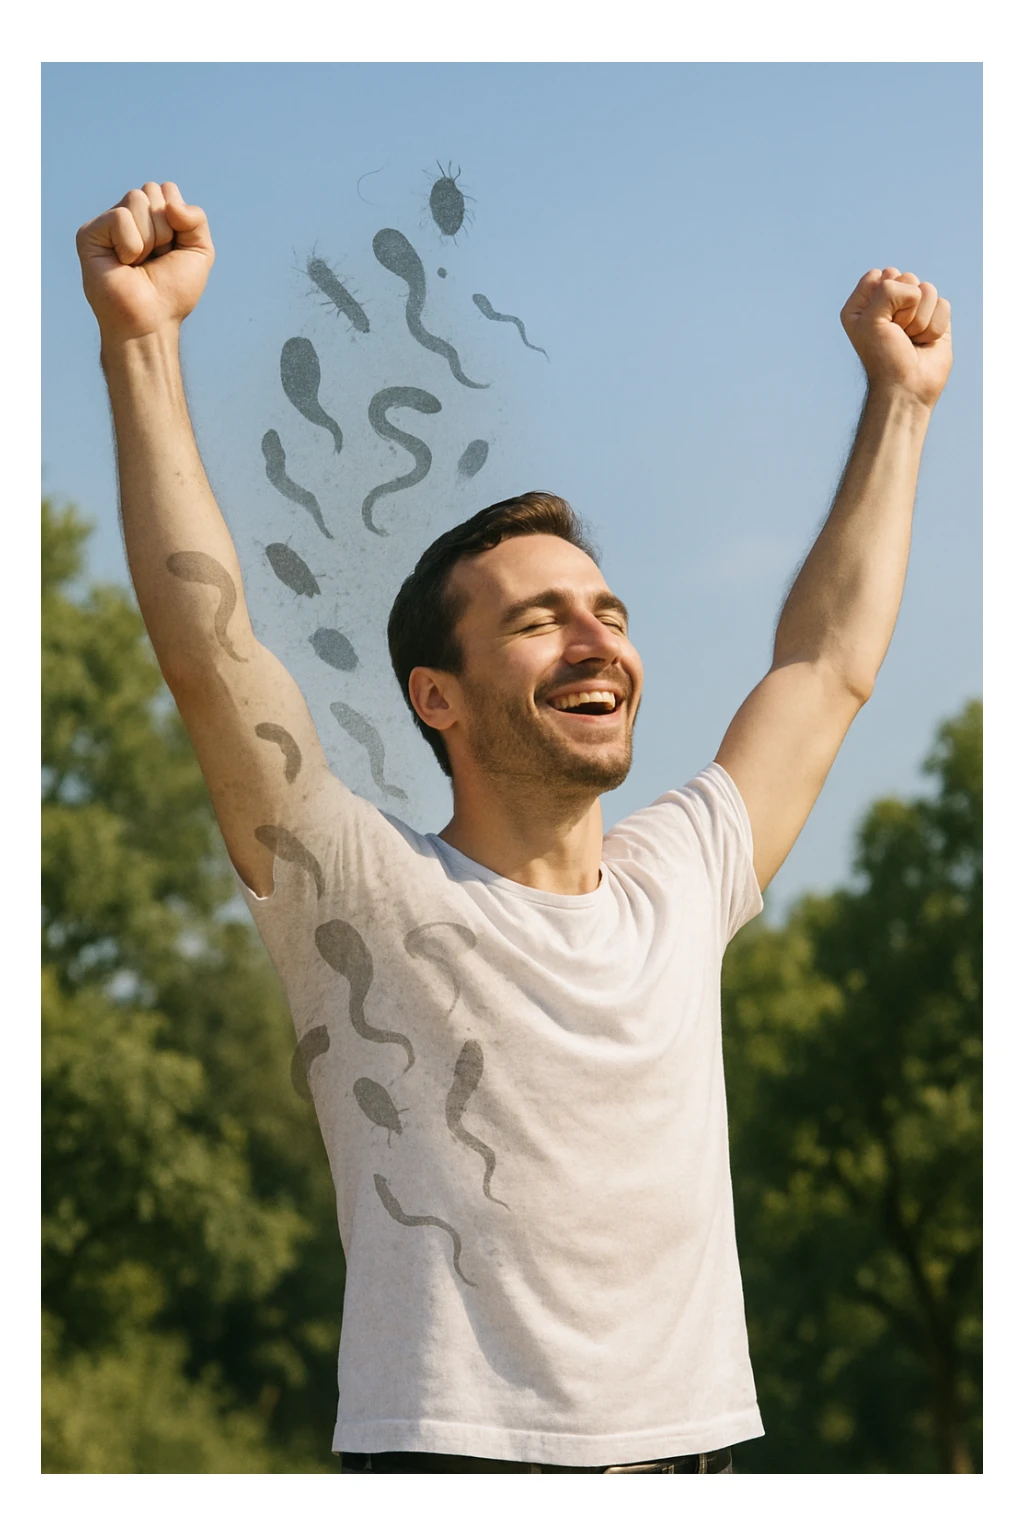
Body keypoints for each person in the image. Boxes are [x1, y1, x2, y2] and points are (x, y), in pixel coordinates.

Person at [75, 181, 953, 1475]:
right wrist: (140, 340)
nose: (598, 638)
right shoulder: (364, 901)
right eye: (539, 620)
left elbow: (824, 666)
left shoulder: (682, 875)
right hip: (457, 1469)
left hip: (699, 1460)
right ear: (438, 696)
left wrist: (904, 404)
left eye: (609, 610)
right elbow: (210, 655)